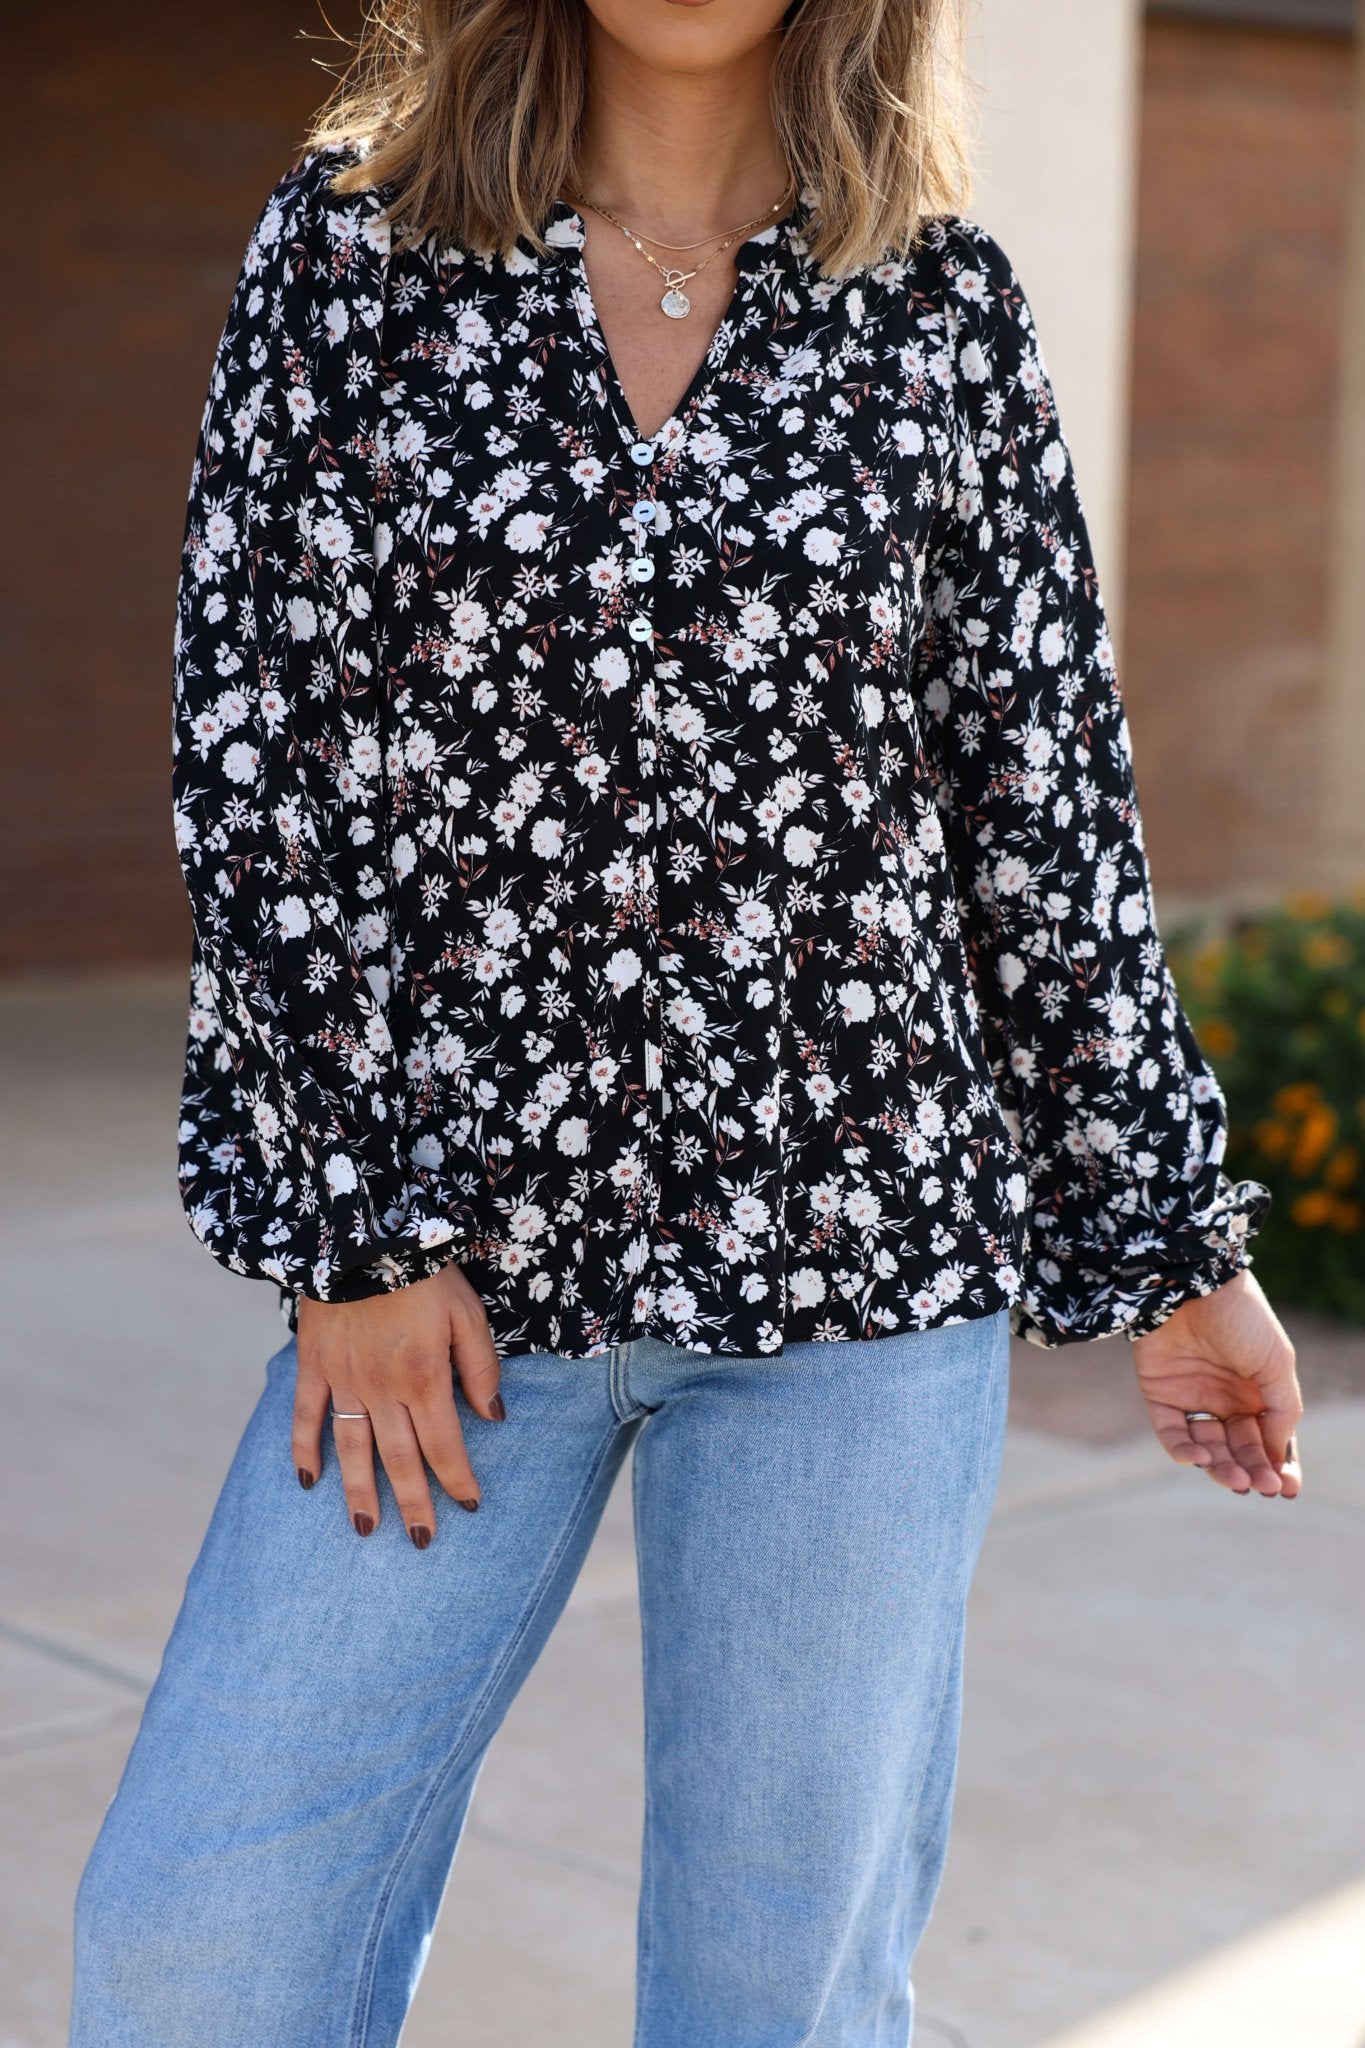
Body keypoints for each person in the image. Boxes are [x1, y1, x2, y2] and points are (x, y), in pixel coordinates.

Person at [69, 1, 1303, 2041]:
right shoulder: (352, 257)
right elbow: (260, 760)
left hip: (861, 1299)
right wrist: (353, 1238)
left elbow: (1039, 808)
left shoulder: (937, 312)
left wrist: (1174, 1246)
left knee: (777, 2004)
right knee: (204, 1942)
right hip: (450, 1294)